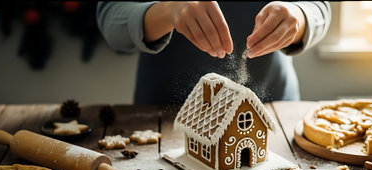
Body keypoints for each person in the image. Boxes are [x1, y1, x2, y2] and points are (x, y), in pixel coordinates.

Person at [96, 1, 331, 104]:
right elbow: (110, 16)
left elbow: (319, 7)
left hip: (275, 109)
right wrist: (169, 11)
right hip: (164, 113)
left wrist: (298, 15)